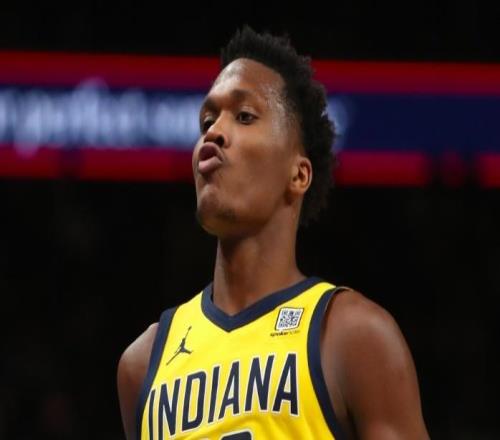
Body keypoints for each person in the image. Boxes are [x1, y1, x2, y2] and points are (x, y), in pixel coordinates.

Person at [117, 26, 429, 439]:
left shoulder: (351, 336)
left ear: (298, 175)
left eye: (244, 116)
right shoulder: (142, 365)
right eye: (207, 120)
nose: (213, 132)